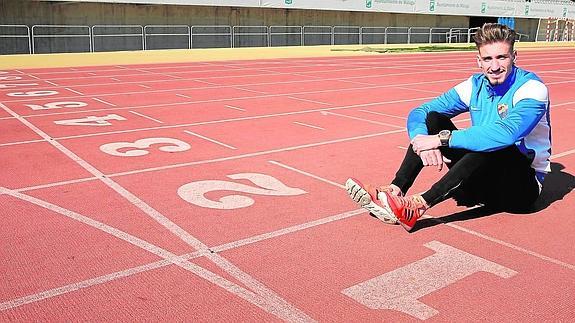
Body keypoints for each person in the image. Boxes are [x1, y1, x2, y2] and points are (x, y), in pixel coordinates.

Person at [346, 23, 551, 231]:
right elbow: (421, 112)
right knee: (433, 119)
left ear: (514, 56)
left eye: (502, 57)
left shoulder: (532, 88)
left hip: (520, 190)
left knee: (491, 142)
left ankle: (418, 206)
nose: (495, 66)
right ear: (478, 61)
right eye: (488, 59)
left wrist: (440, 140)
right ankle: (395, 190)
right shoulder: (474, 85)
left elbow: (505, 134)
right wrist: (421, 141)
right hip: (480, 184)